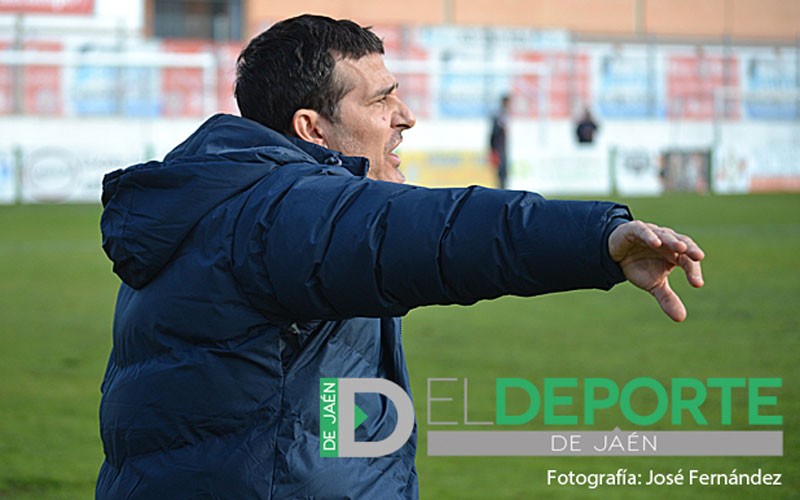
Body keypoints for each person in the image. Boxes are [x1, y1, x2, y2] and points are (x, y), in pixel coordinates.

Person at [96, 14, 704, 499]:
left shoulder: (248, 202)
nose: (405, 118)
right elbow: (438, 232)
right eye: (383, 101)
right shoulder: (283, 213)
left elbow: (315, 402)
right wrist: (595, 241)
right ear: (312, 128)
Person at [488, 94, 511, 188]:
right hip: (499, 147)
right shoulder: (500, 115)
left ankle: (503, 189)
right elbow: (494, 133)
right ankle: (501, 191)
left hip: (502, 147)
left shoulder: (504, 114)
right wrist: (493, 149)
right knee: (501, 171)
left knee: (504, 172)